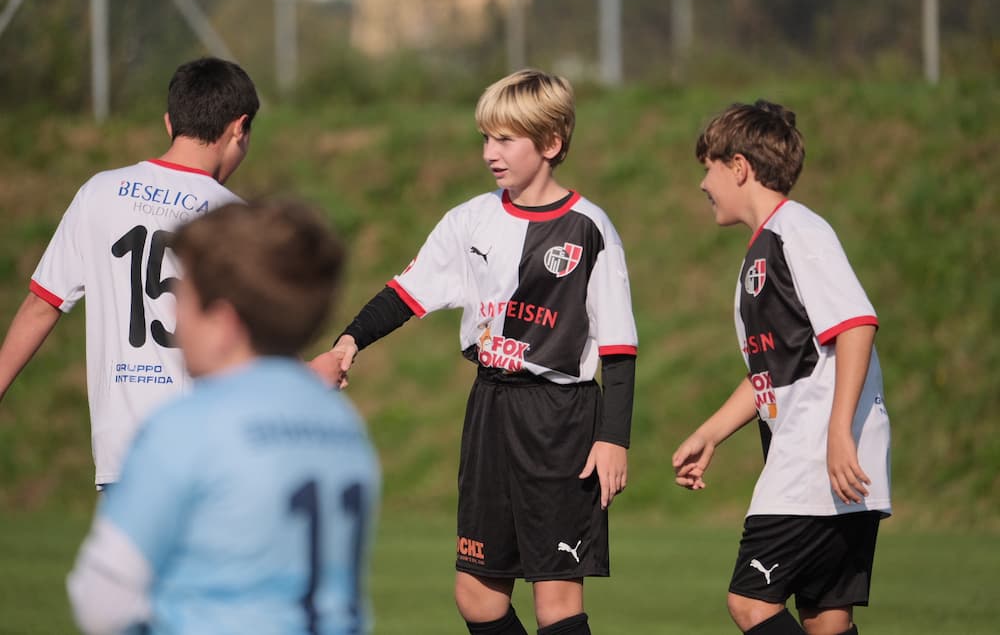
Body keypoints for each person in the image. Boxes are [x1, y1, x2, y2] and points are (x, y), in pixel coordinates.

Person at [310, 69, 638, 635]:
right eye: (486, 138)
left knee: (556, 602)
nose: (491, 152)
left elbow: (618, 346)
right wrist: (348, 342)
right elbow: (404, 294)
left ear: (551, 143)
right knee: (477, 597)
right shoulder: (469, 220)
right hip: (490, 410)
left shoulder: (589, 228)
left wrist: (613, 437)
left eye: (506, 139)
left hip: (559, 420)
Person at [67, 201, 381, 635]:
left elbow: (101, 598)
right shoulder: (343, 426)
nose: (174, 323)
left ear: (223, 323)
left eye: (183, 300)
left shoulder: (190, 425)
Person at [671, 100, 891, 635]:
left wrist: (839, 433)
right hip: (830, 460)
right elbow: (774, 372)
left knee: (750, 603)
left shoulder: (797, 232)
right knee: (824, 619)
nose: (704, 184)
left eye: (709, 168)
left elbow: (857, 325)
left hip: (818, 458)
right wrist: (711, 433)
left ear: (739, 167)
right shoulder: (764, 248)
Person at [0, 57, 258, 489]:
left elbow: (42, 304)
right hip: (201, 450)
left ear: (168, 122)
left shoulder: (98, 193)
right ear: (239, 127)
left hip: (121, 451)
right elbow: (250, 339)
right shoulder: (233, 218)